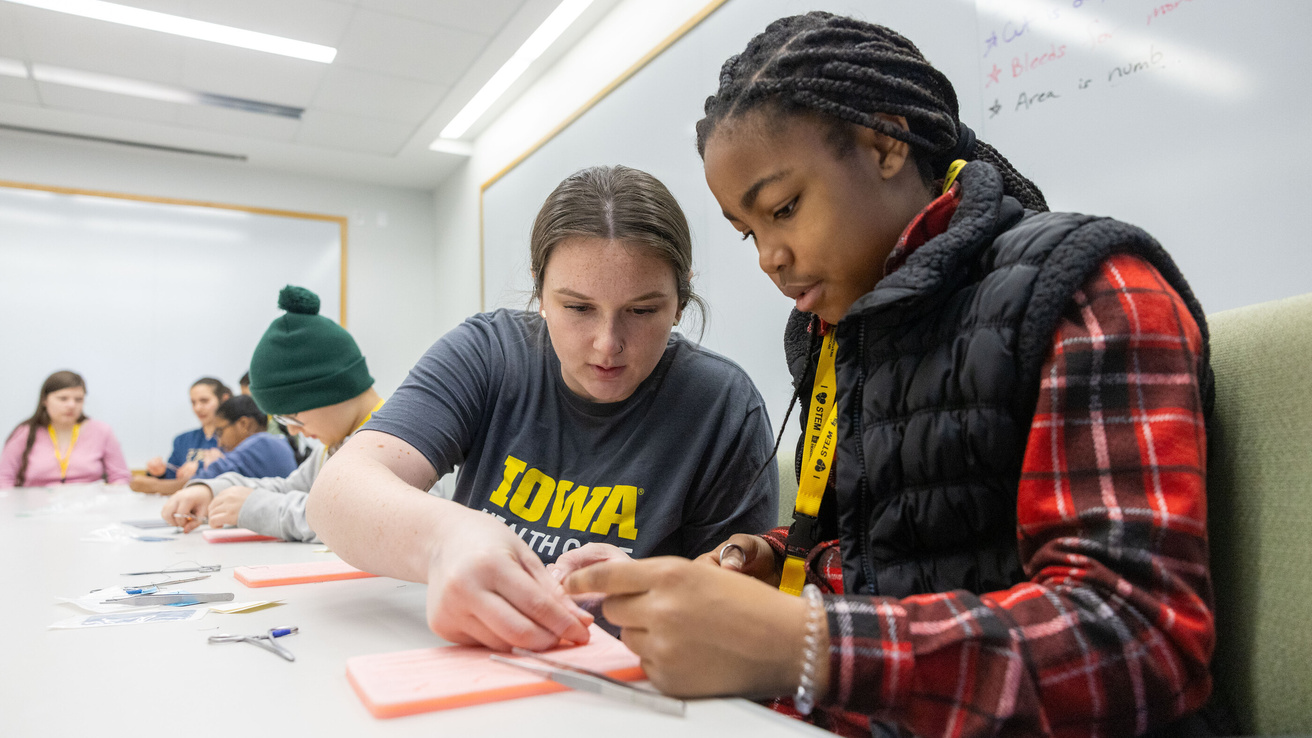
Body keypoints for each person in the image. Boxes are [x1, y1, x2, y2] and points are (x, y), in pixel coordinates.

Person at [560, 14, 1218, 738]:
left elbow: (1138, 636)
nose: (769, 258)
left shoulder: (1089, 292)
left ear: (885, 144)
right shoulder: (845, 331)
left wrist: (807, 644)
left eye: (784, 209)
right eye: (750, 232)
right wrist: (772, 560)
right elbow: (890, 547)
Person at [305, 165, 780, 652]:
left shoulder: (722, 405)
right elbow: (336, 493)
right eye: (577, 308)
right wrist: (449, 538)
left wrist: (645, 595)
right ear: (540, 293)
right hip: (481, 663)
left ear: (680, 301)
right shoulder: (489, 353)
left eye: (642, 311)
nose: (607, 344)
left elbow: (744, 618)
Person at [162, 285, 386, 540]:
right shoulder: (337, 442)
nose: (291, 430)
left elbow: (358, 519)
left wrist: (257, 508)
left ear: (331, 391)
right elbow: (289, 487)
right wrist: (212, 491)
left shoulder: (390, 440)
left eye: (292, 416)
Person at [0, 371, 130, 488]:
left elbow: (120, 477)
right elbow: (4, 479)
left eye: (78, 400)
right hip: (36, 503)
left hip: (88, 503)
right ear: (45, 400)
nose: (71, 405)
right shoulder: (25, 432)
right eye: (63, 399)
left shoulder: (101, 431)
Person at [131, 377, 231, 495]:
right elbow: (171, 476)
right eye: (193, 402)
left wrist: (199, 466)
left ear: (224, 399)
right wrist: (160, 472)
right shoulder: (182, 439)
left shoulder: (232, 438)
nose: (198, 408)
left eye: (204, 401)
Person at [189, 395, 297, 481]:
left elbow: (203, 481)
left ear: (244, 424)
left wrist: (210, 465)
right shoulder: (277, 443)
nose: (219, 443)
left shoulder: (262, 443)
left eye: (220, 432)